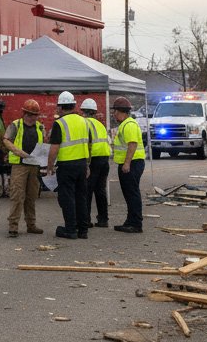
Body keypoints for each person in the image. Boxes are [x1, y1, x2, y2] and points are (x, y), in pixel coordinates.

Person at [45, 91, 90, 239]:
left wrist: (49, 166)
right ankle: (83, 229)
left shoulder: (60, 123)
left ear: (60, 107)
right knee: (81, 197)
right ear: (73, 105)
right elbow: (88, 144)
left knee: (67, 197)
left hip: (67, 165)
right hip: (82, 164)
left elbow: (54, 148)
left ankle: (70, 229)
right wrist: (87, 164)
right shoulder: (84, 121)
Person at [3, 99, 46, 237]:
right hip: (20, 165)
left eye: (36, 115)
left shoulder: (40, 127)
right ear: (26, 114)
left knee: (31, 196)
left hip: (34, 165)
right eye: (33, 115)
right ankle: (13, 227)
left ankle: (31, 225)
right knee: (17, 196)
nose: (35, 118)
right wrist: (18, 152)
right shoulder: (15, 125)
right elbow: (6, 140)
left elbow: (43, 143)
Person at [111, 97, 146, 233]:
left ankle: (136, 223)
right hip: (131, 163)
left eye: (115, 112)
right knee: (129, 193)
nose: (114, 114)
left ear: (122, 112)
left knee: (132, 194)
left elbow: (132, 144)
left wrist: (126, 163)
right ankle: (130, 221)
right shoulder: (126, 124)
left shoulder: (129, 125)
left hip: (132, 164)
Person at [80, 98, 111, 228]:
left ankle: (86, 220)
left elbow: (87, 143)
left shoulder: (85, 123)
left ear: (83, 111)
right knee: (100, 190)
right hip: (104, 159)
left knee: (87, 190)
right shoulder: (100, 124)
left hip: (93, 160)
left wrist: (86, 163)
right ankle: (103, 219)